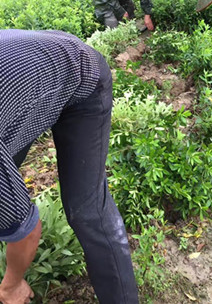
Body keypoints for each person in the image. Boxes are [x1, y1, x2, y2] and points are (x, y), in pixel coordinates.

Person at [0, 29, 139, 304]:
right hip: (30, 77)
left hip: (80, 74)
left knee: (87, 211)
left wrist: (12, 285)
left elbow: (27, 233)